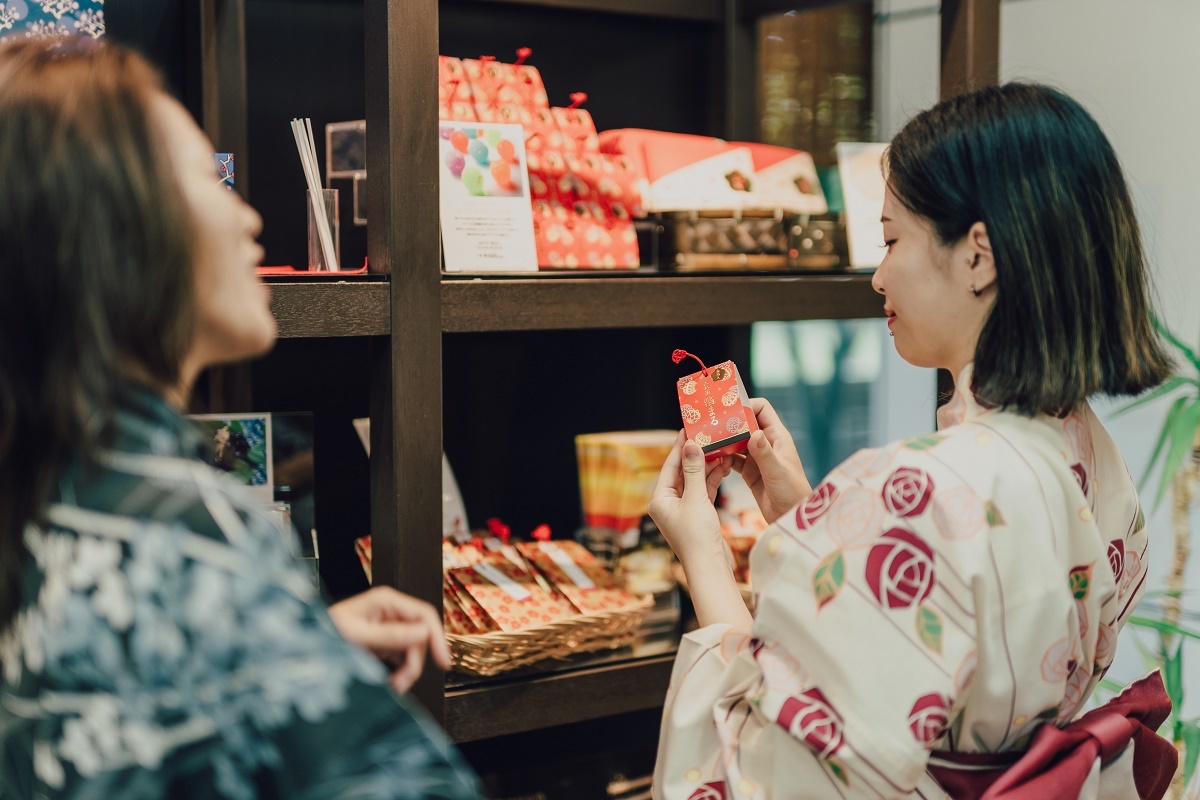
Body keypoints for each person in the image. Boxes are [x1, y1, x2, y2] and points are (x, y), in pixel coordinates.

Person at [649, 83, 1178, 799]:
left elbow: (771, 772)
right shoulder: (1085, 449)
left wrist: (704, 555)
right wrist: (813, 520)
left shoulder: (921, 489)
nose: (877, 276)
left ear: (978, 256)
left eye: (892, 239)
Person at [0, 38, 483, 799]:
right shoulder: (194, 532)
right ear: (119, 232)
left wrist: (281, 644)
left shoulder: (43, 491)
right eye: (210, 181)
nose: (251, 218)